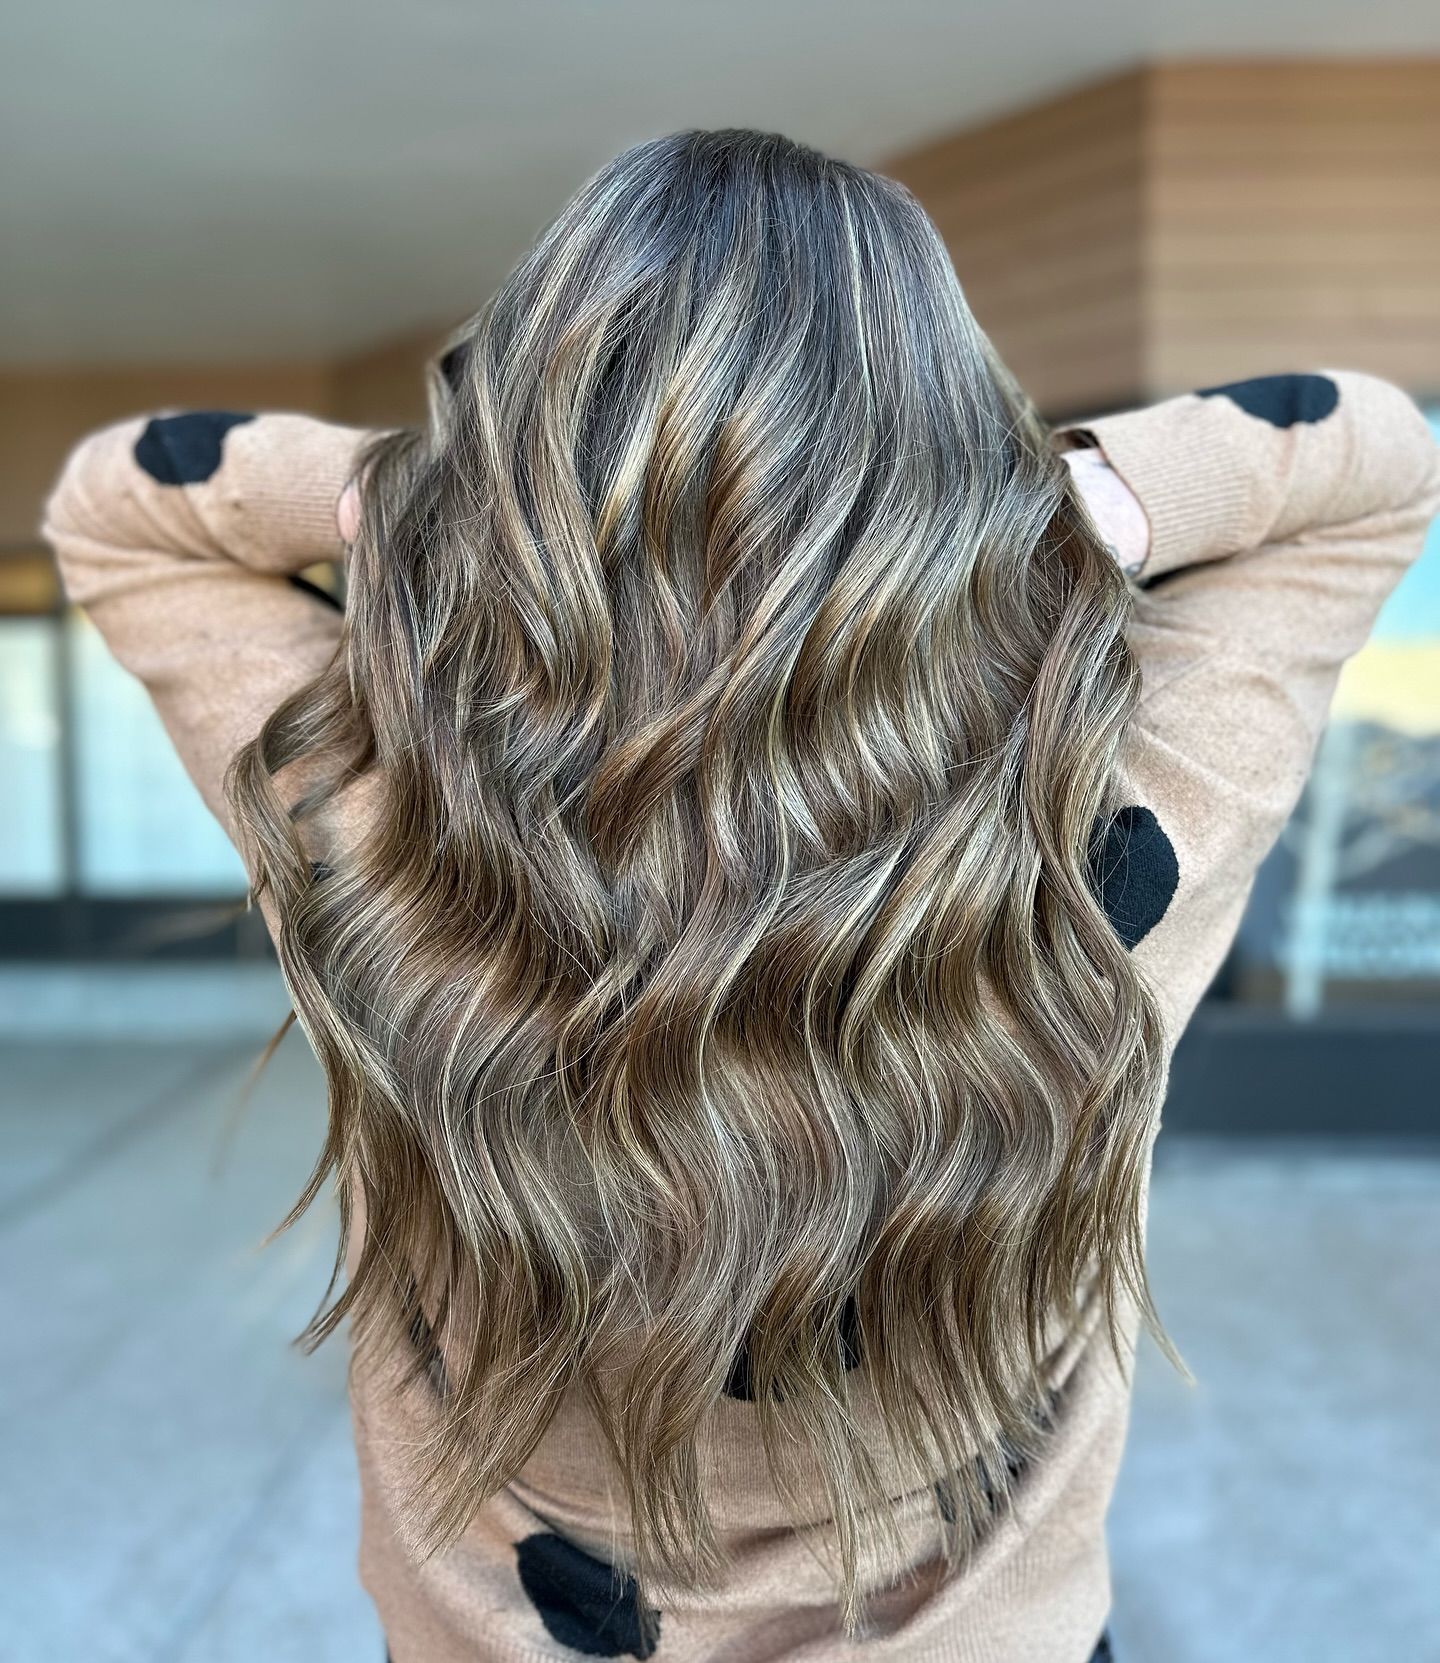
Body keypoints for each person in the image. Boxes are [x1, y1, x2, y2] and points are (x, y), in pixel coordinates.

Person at [41, 128, 1440, 1663]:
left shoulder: (382, 832)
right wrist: (1055, 501)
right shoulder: (1100, 851)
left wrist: (452, 507)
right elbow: (1374, 457)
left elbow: (121, 503)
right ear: (941, 476)